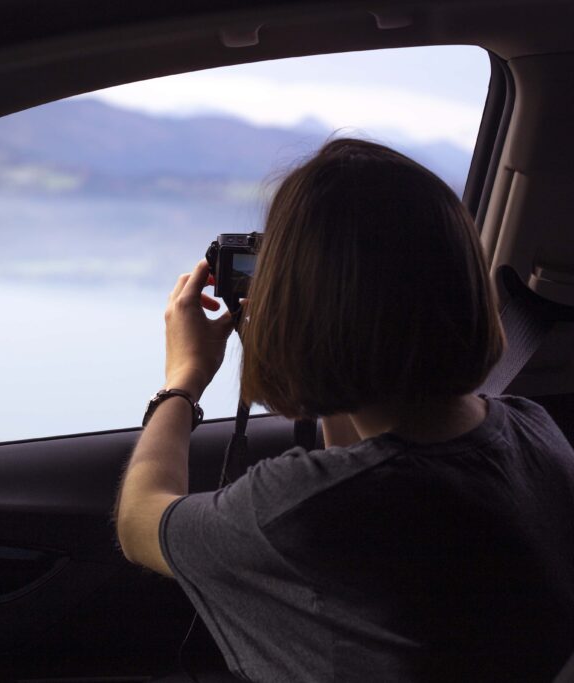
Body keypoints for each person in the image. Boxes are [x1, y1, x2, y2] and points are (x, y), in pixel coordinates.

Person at [114, 139, 574, 682]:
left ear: (305, 310)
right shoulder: (533, 430)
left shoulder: (304, 507)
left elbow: (139, 521)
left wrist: (184, 377)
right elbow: (363, 458)